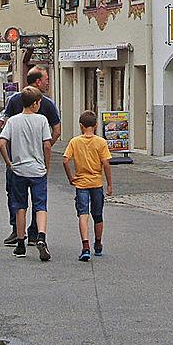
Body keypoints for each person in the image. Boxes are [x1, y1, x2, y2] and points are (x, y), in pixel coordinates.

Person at [0, 66, 61, 245]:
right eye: (46, 79)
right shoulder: (46, 104)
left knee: (16, 198)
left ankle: (17, 232)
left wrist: (9, 158)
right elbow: (56, 130)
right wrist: (44, 153)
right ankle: (35, 234)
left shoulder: (15, 100)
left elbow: (4, 132)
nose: (48, 83)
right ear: (38, 81)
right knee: (38, 201)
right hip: (37, 162)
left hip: (16, 160)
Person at [0, 86, 52, 262]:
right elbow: (47, 145)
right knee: (40, 205)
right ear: (35, 103)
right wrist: (46, 166)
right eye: (39, 102)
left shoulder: (12, 121)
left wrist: (9, 163)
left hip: (19, 170)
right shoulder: (42, 120)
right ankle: (41, 237)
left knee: (20, 206)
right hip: (37, 170)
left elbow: (1, 143)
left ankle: (21, 244)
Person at [63, 110, 113, 261]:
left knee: (83, 214)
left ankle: (85, 246)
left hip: (81, 183)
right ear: (96, 125)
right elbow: (106, 163)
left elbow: (65, 160)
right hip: (96, 183)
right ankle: (98, 244)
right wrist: (109, 184)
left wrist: (71, 177)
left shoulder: (74, 142)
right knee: (97, 215)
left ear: (80, 126)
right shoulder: (101, 142)